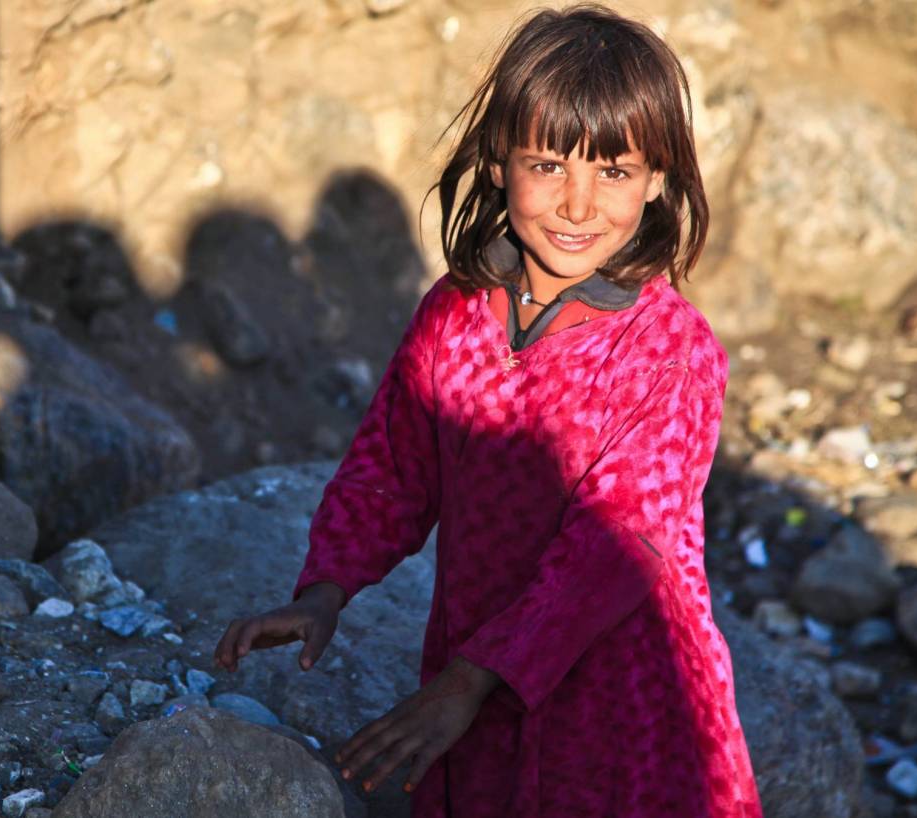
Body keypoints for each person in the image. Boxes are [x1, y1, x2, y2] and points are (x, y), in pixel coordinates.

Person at [214, 5, 763, 816]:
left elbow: (615, 547)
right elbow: (394, 468)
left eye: (613, 173)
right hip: (478, 675)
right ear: (500, 160)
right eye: (549, 164)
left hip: (626, 700)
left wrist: (467, 685)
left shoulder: (671, 353)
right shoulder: (456, 312)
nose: (578, 205)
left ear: (657, 181)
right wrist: (325, 589)